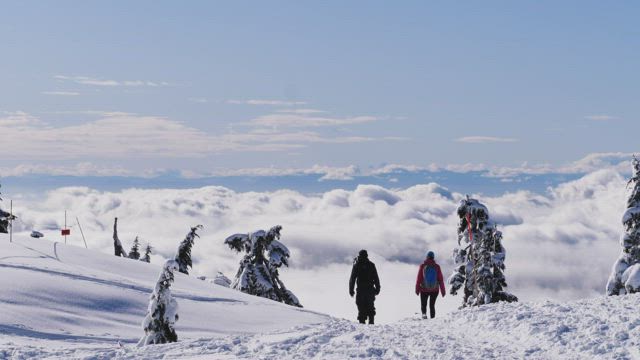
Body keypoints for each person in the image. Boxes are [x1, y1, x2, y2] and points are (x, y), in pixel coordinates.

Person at [349, 250, 380, 324]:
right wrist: (377, 288)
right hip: (368, 290)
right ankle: (370, 323)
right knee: (369, 306)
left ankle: (363, 323)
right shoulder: (370, 265)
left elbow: (352, 278)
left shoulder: (357, 265)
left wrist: (351, 289)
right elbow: (376, 278)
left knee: (362, 306)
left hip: (362, 290)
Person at [415, 251, 445, 319]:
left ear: (427, 257)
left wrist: (417, 289)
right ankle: (432, 319)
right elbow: (441, 280)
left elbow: (419, 278)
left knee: (424, 304)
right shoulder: (437, 267)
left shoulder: (422, 266)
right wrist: (443, 291)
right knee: (432, 305)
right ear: (433, 257)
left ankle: (424, 314)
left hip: (424, 289)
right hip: (435, 290)